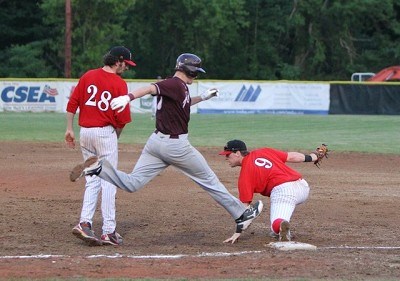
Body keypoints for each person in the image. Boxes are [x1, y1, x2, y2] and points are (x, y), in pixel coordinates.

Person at [69, 53, 263, 241]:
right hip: (176, 146)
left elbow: (183, 104)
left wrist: (203, 97)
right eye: (196, 72)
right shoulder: (174, 84)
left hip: (156, 143)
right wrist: (128, 97)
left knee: (132, 183)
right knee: (209, 180)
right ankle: (241, 215)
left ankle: (98, 169)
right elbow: (149, 88)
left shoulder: (178, 87)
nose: (197, 75)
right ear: (188, 70)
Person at [65, 46, 136, 246]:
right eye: (126, 64)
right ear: (118, 61)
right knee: (109, 181)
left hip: (85, 133)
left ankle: (85, 223)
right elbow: (121, 120)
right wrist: (114, 137)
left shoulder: (88, 75)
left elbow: (73, 103)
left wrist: (69, 128)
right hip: (105, 133)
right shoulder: (119, 84)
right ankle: (109, 231)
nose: (127, 68)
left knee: (92, 179)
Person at [220, 139, 326, 244]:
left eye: (228, 155)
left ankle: (282, 228)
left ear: (238, 153)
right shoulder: (263, 151)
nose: (226, 158)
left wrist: (237, 232)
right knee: (286, 203)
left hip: (284, 192)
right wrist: (314, 157)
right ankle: (283, 225)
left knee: (276, 226)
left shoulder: (245, 175)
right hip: (303, 186)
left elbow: (245, 209)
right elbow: (291, 156)